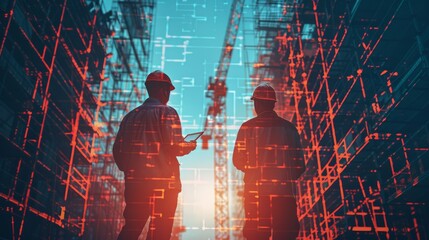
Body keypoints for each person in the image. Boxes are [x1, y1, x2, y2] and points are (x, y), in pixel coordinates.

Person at [113, 70, 197, 240]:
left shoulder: (130, 117)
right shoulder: (167, 113)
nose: (168, 95)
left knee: (131, 229)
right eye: (168, 91)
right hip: (163, 185)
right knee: (159, 232)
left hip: (135, 184)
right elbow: (174, 146)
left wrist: (130, 170)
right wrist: (189, 146)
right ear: (162, 90)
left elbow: (118, 152)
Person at [233, 83, 305, 240]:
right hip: (284, 194)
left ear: (256, 104)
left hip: (256, 194)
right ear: (273, 104)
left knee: (257, 235)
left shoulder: (247, 128)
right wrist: (283, 177)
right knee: (285, 234)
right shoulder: (289, 128)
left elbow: (237, 161)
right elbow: (299, 165)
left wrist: (253, 169)